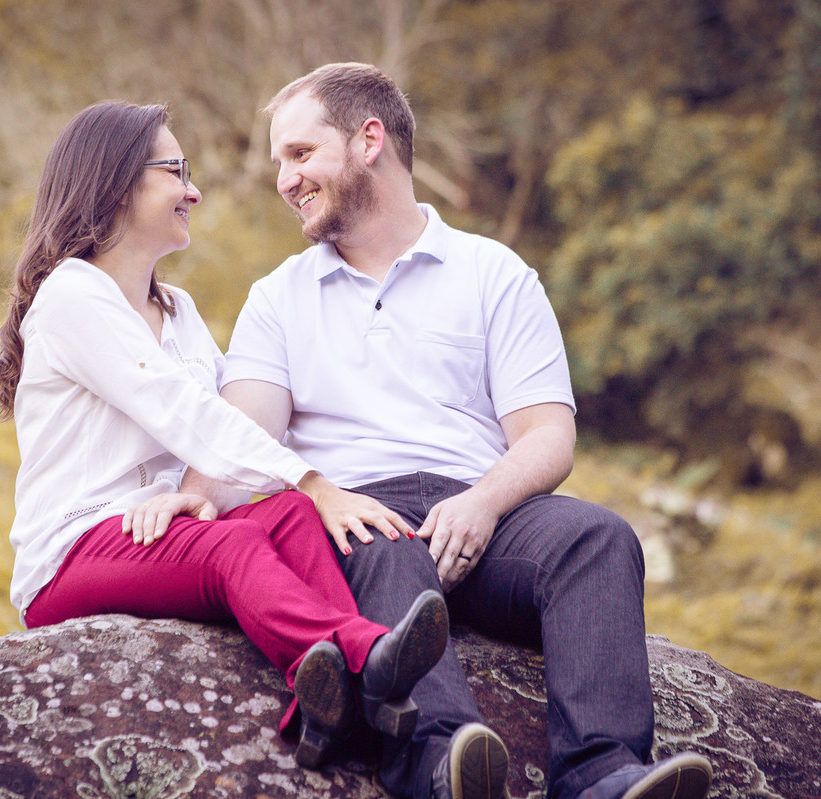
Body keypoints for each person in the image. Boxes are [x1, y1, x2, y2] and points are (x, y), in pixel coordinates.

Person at [207, 63, 716, 799]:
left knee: (600, 539)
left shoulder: (493, 273)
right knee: (383, 549)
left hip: (482, 516)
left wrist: (483, 502)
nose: (283, 178)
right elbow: (244, 439)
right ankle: (439, 761)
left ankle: (603, 773)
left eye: (300, 153)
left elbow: (548, 434)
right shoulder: (277, 298)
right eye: (282, 160)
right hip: (360, 517)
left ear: (369, 140)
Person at [0, 100, 451, 770]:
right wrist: (313, 478)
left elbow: (233, 423)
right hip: (73, 551)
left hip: (155, 533)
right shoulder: (72, 295)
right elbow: (182, 410)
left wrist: (235, 491)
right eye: (176, 171)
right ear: (118, 185)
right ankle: (367, 653)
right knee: (238, 542)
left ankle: (326, 707)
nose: (193, 191)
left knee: (287, 514)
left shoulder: (178, 310)